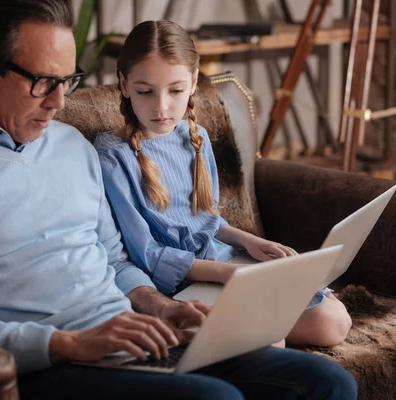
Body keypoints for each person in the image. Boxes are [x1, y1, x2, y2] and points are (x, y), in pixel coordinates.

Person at [0, 1, 356, 399]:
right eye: (43, 82)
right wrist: (70, 344)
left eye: (68, 81)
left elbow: (116, 259)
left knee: (326, 382)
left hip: (131, 334)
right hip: (49, 364)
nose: (60, 103)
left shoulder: (70, 146)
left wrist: (158, 306)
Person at [94, 19, 352, 348]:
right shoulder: (111, 158)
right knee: (272, 341)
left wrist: (250, 242)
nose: (161, 106)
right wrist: (229, 275)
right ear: (125, 84)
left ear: (193, 83)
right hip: (180, 282)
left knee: (334, 323)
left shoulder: (195, 136)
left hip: (222, 260)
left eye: (175, 90)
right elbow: (147, 254)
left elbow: (206, 220)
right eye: (146, 91)